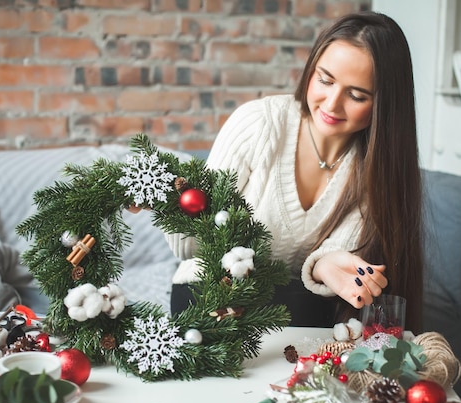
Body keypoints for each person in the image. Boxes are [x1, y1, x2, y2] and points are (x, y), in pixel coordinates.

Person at [165, 11, 423, 332]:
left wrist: (325, 266)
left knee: (313, 306)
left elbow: (336, 257)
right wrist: (169, 201)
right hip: (211, 292)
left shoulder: (375, 169)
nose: (331, 104)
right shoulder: (258, 123)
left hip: (296, 305)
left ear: (384, 105)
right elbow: (187, 245)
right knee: (296, 304)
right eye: (325, 80)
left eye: (356, 95)